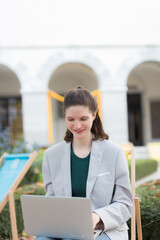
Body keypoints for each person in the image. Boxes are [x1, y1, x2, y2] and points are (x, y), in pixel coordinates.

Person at [36, 87, 133, 240]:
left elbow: (125, 204)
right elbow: (51, 202)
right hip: (63, 230)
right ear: (65, 117)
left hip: (105, 229)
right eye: (71, 119)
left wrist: (97, 217)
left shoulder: (114, 153)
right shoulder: (51, 156)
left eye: (83, 119)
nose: (77, 125)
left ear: (94, 115)